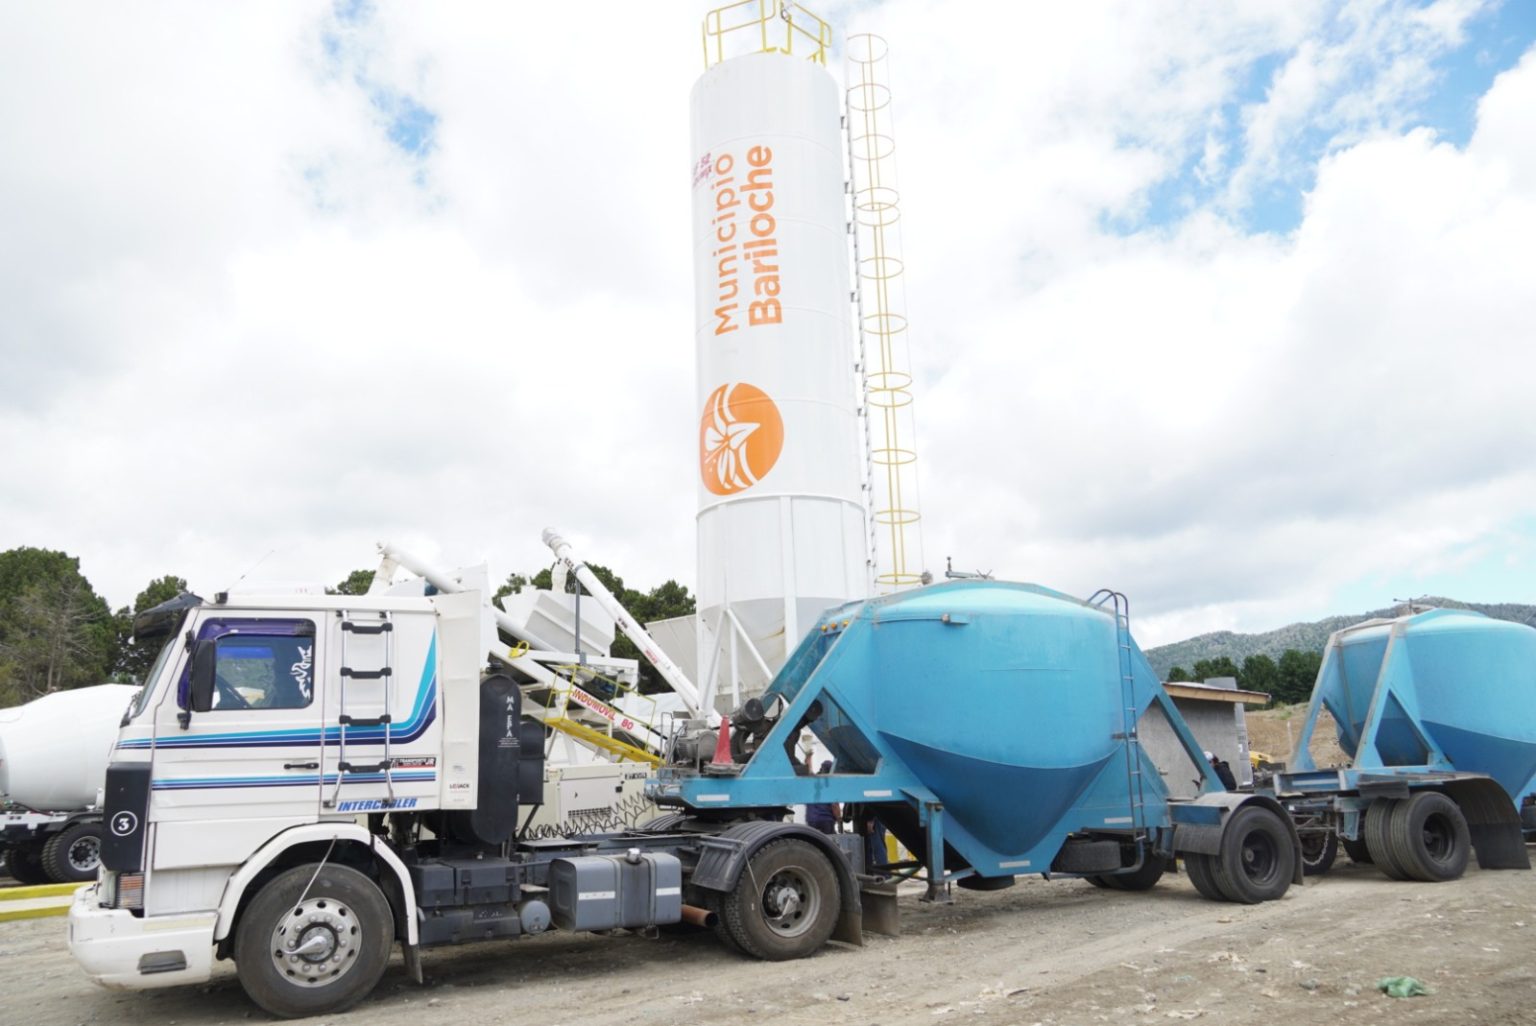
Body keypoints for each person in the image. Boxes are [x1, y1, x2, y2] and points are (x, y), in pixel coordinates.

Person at [804, 758, 841, 834]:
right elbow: (834, 805)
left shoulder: (812, 782)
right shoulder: (830, 784)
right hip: (826, 819)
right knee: (828, 842)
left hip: (811, 819)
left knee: (814, 842)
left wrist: (808, 761)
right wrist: (839, 818)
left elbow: (809, 772)